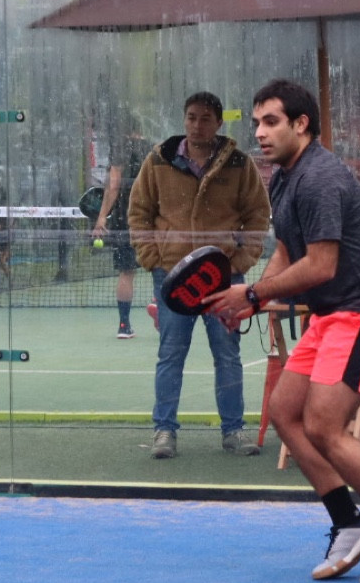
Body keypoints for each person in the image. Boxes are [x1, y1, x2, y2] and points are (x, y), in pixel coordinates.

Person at [205, 79, 360, 583]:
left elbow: (321, 265)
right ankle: (349, 522)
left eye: (271, 122)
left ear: (301, 124)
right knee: (285, 411)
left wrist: (251, 293)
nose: (260, 132)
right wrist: (256, 298)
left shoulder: (319, 179)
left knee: (324, 425)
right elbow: (288, 252)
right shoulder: (283, 178)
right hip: (331, 313)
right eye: (256, 122)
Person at [128, 92, 271, 459]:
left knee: (227, 355)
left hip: (224, 281)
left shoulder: (239, 164)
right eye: (191, 117)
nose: (197, 125)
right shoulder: (157, 161)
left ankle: (233, 431)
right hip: (171, 278)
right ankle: (164, 432)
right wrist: (153, 259)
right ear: (184, 119)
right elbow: (139, 212)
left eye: (205, 118)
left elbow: (258, 214)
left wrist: (240, 262)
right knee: (171, 354)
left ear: (218, 123)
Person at [93, 129, 147, 339]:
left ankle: (124, 325)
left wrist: (101, 217)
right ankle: (165, 320)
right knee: (161, 270)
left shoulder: (121, 150)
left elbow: (114, 185)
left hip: (126, 220)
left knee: (126, 272)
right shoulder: (154, 149)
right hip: (151, 218)